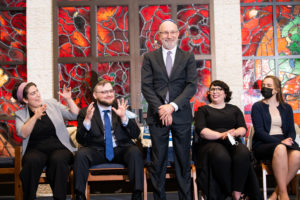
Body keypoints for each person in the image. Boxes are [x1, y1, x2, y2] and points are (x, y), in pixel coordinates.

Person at [141, 19, 197, 200]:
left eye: (172, 32)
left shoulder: (187, 57)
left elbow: (191, 86)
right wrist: (161, 109)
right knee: (158, 162)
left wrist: (171, 107)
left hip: (181, 115)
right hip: (158, 116)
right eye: (165, 33)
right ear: (158, 36)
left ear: (178, 34)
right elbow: (146, 87)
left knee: (182, 161)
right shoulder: (150, 57)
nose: (169, 36)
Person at [74, 79, 144, 200]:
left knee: (135, 152)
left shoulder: (122, 108)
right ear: (95, 95)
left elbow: (135, 134)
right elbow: (80, 140)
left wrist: (124, 118)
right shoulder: (86, 112)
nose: (109, 94)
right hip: (97, 150)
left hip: (121, 149)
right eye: (104, 92)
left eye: (111, 91)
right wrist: (87, 121)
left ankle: (137, 194)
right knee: (81, 154)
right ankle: (80, 195)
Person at [193, 80, 261, 200]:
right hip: (210, 143)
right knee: (221, 156)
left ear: (225, 94)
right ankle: (231, 191)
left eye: (219, 89)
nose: (215, 92)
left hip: (231, 140)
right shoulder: (203, 110)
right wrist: (221, 135)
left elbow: (243, 128)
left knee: (243, 152)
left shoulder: (234, 109)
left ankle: (237, 191)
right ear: (209, 93)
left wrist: (234, 132)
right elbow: (202, 131)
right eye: (213, 89)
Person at [12, 82, 79, 200]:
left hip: (59, 147)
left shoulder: (51, 104)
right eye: (33, 93)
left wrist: (69, 99)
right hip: (35, 149)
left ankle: (60, 198)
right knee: (31, 161)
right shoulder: (20, 114)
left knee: (59, 159)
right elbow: (22, 133)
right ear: (25, 100)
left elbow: (74, 115)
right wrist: (35, 117)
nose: (38, 95)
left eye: (37, 91)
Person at [251, 75, 300, 200]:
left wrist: (289, 140)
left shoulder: (286, 108)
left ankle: (275, 193)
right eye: (263, 86)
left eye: (268, 86)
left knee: (297, 155)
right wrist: (281, 142)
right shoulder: (257, 107)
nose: (264, 88)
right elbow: (260, 132)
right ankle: (284, 194)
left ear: (277, 90)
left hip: (283, 141)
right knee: (280, 148)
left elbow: (291, 131)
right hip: (264, 143)